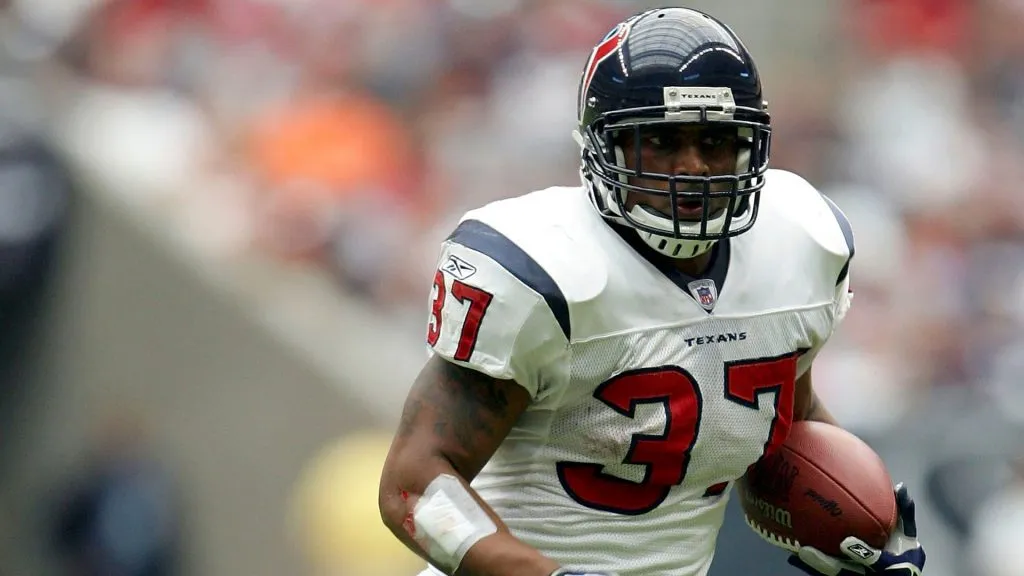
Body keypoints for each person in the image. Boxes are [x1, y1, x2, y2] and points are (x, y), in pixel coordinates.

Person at [378, 7, 927, 576]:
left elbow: (782, 417)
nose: (691, 166)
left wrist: (860, 531)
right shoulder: (540, 272)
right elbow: (414, 484)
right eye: (659, 141)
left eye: (716, 140)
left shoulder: (799, 245)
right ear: (603, 146)